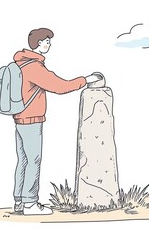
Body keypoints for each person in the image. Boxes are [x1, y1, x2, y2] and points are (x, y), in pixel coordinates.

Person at [12, 28, 101, 215]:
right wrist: (86, 80)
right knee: (33, 160)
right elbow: (59, 86)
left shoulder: (21, 64)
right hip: (31, 119)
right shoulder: (33, 66)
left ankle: (20, 201)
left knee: (24, 160)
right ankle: (30, 204)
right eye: (46, 41)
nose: (49, 44)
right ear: (37, 44)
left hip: (20, 118)